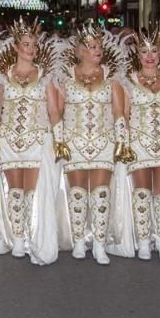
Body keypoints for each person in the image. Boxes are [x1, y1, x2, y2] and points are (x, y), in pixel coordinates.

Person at [50, 22, 127, 265]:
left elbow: (118, 112)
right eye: (92, 46)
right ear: (81, 50)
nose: (98, 50)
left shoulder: (112, 77)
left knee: (102, 192)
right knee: (78, 192)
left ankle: (100, 244)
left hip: (104, 141)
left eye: (100, 46)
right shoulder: (66, 77)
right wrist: (59, 139)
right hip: (74, 141)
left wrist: (121, 141)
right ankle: (80, 240)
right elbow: (57, 112)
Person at [0, 17, 60, 259]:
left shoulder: (45, 76)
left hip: (37, 141)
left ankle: (31, 235)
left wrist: (59, 140)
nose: (31, 49)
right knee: (15, 190)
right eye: (26, 44)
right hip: (9, 139)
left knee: (31, 192)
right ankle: (18, 238)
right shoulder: (2, 77)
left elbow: (53, 111)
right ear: (17, 46)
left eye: (34, 45)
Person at [117, 26, 160, 263]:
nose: (149, 55)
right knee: (142, 193)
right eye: (144, 50)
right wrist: (124, 142)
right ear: (137, 53)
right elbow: (123, 114)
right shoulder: (128, 81)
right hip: (139, 142)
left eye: (153, 50)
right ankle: (144, 240)